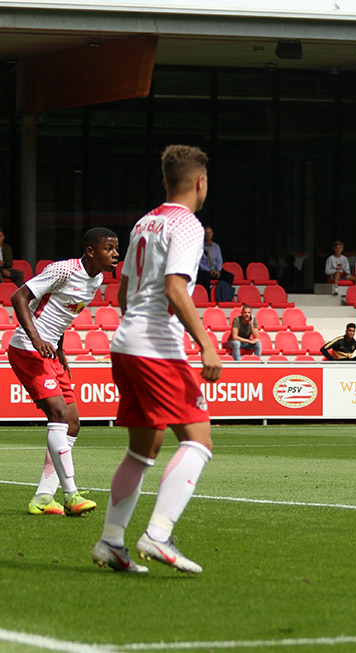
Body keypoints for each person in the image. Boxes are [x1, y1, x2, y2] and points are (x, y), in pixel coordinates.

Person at [93, 144, 223, 575]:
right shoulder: (187, 226)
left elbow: (123, 292)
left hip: (125, 342)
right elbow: (174, 289)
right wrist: (205, 343)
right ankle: (159, 534)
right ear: (200, 183)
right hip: (156, 347)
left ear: (165, 182)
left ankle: (112, 542)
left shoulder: (145, 221)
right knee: (198, 440)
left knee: (143, 449)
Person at [10, 227, 118, 517]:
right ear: (91, 251)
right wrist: (36, 339)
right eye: (109, 248)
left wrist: (59, 351)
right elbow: (19, 297)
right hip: (27, 347)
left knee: (71, 423)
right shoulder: (63, 270)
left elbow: (59, 316)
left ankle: (43, 498)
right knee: (57, 414)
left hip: (50, 353)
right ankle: (71, 494)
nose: (116, 254)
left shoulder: (95, 280)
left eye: (116, 248)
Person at [196, 225, 234, 289]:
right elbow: (199, 263)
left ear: (212, 234)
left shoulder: (216, 247)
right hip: (205, 271)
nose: (208, 235)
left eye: (210, 233)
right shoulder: (199, 247)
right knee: (205, 277)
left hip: (215, 270)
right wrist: (209, 271)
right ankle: (207, 295)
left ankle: (222, 293)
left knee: (230, 276)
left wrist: (218, 270)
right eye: (206, 233)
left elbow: (219, 260)